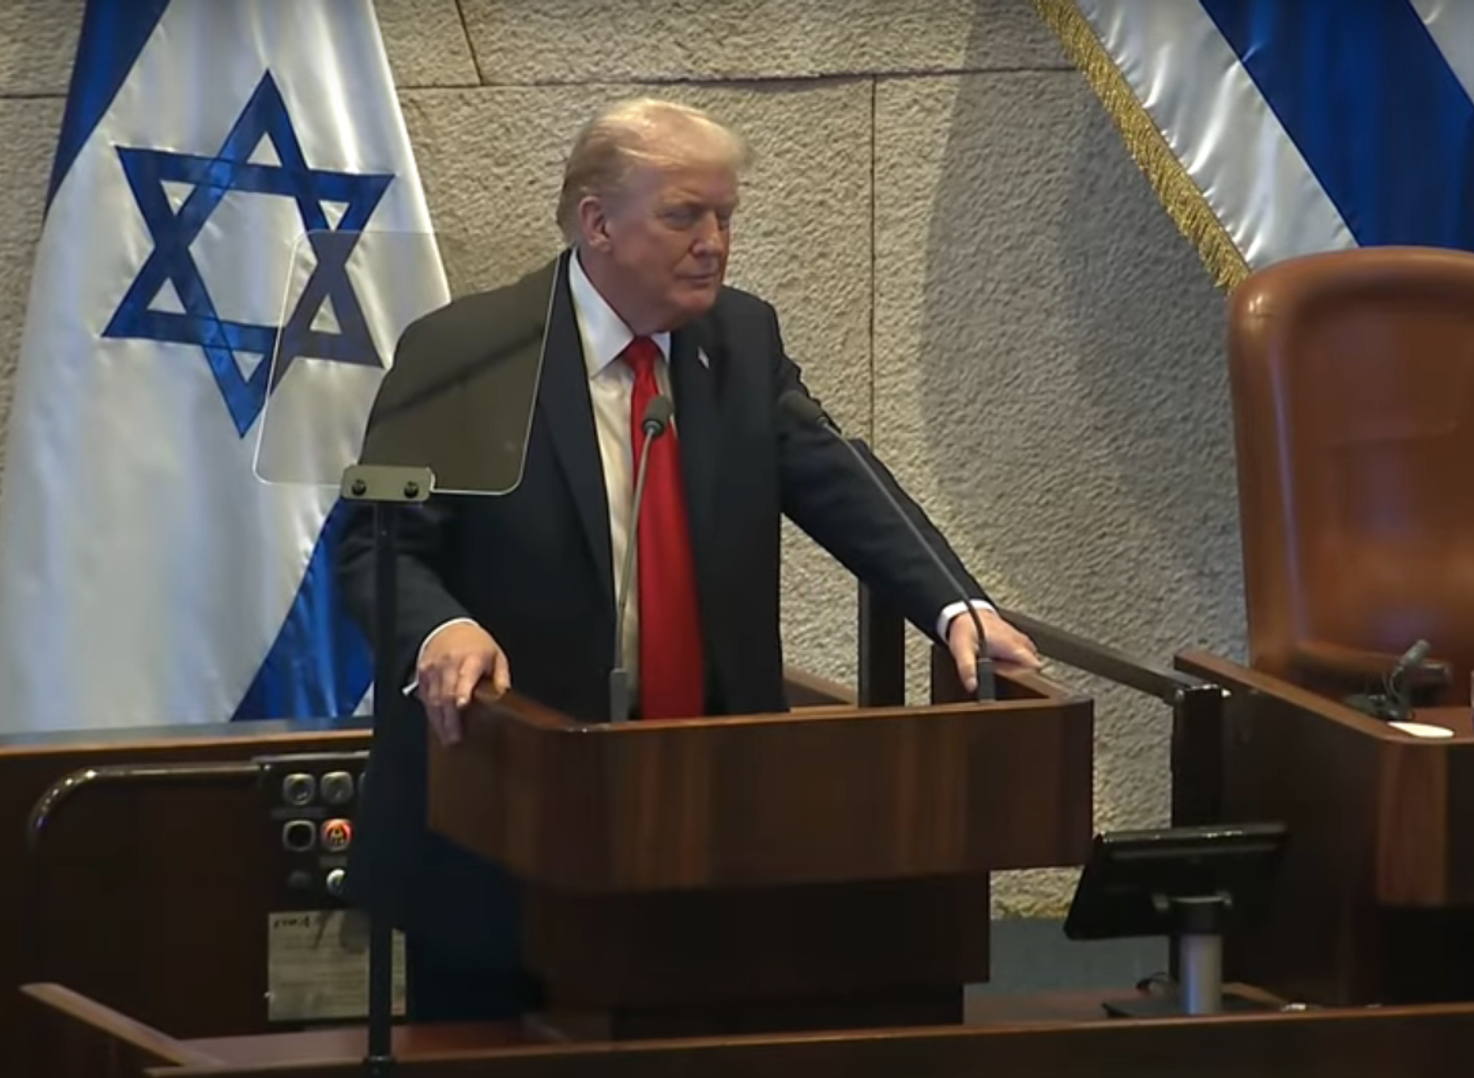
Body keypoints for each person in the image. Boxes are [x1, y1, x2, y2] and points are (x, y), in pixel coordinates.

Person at [335, 98, 1040, 1023]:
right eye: (684, 216)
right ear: (597, 223)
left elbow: (837, 478)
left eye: (725, 217)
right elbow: (376, 548)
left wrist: (955, 606)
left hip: (702, 817)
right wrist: (442, 627)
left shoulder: (740, 340)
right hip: (502, 812)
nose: (714, 243)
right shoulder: (469, 351)